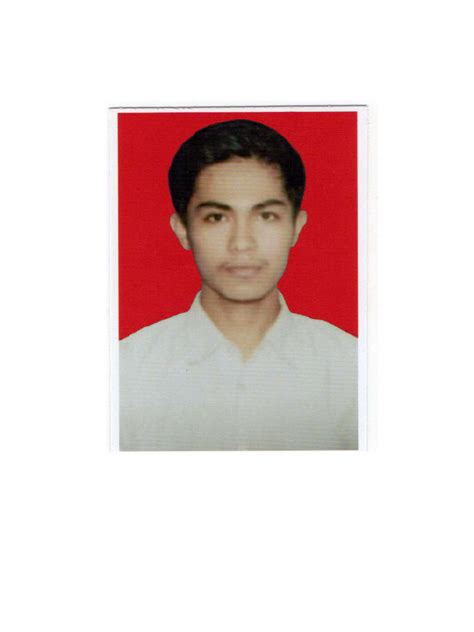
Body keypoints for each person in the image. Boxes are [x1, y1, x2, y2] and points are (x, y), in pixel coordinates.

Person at [119, 119, 358, 450]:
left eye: (266, 216)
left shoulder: (353, 368)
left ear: (296, 227)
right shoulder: (126, 372)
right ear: (183, 230)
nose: (242, 243)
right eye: (217, 217)